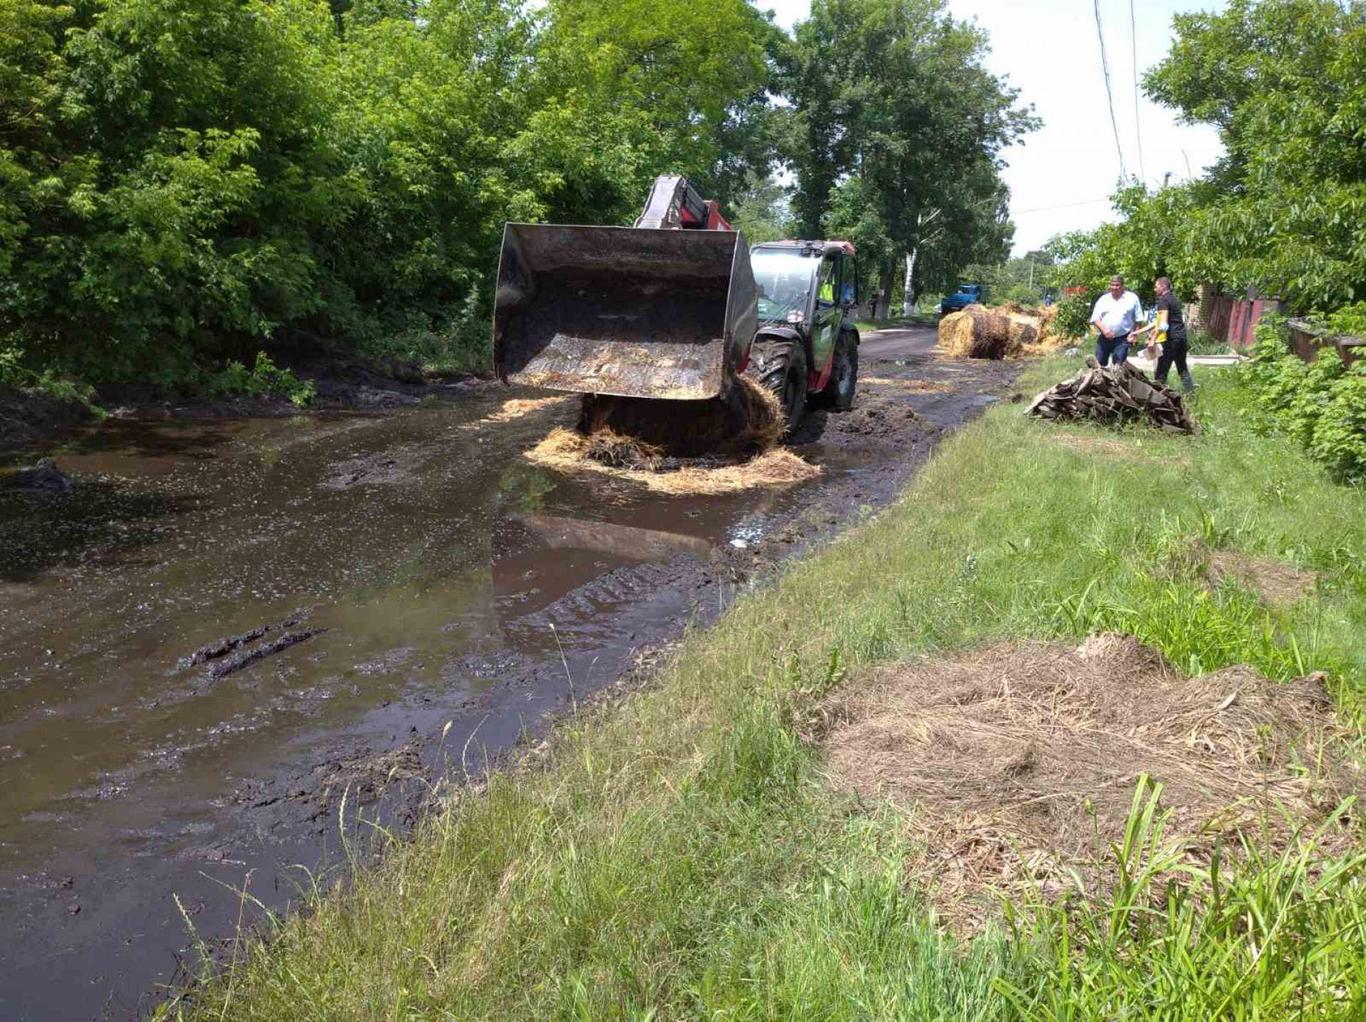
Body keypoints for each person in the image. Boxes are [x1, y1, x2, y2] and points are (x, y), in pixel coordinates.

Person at [1132, 276, 1193, 392]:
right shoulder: (1174, 300)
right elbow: (1158, 322)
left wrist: (1152, 340)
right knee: (1182, 368)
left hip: (1171, 340)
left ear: (1163, 286)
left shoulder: (1163, 301)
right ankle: (1191, 394)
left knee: (1161, 372)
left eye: (1156, 287)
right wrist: (1138, 332)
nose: (1155, 289)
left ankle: (1157, 398)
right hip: (1181, 338)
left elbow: (1164, 325)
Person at [1089, 274, 1143, 365]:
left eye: (1117, 285)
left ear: (1122, 286)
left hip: (1122, 338)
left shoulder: (1132, 298)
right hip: (1104, 337)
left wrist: (1135, 335)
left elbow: (1139, 319)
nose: (1115, 287)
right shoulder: (1103, 299)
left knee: (1119, 366)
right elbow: (1095, 318)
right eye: (1112, 285)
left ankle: (1117, 379)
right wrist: (1104, 330)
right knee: (1098, 364)